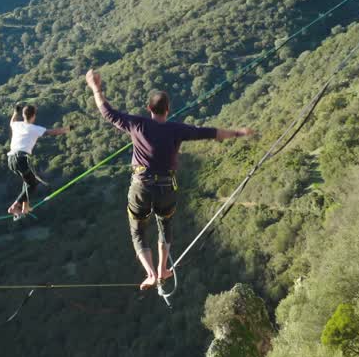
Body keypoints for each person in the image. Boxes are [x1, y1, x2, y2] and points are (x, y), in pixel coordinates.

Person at [84, 69, 254, 290]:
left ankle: (151, 274)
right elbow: (210, 132)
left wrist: (95, 87)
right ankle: (164, 268)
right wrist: (238, 133)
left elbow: (106, 111)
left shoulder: (137, 124)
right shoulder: (177, 129)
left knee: (137, 230)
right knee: (164, 225)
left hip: (141, 185)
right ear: (168, 109)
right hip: (166, 188)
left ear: (149, 109)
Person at [6, 103, 69, 219]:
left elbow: (12, 121)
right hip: (21, 159)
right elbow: (53, 132)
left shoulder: (17, 125)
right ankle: (15, 206)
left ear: (24, 115)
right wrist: (68, 129)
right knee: (33, 184)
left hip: (11, 160)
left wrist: (15, 112)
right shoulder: (34, 129)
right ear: (33, 116)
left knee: (28, 181)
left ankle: (25, 207)